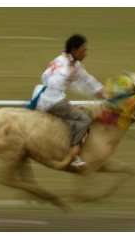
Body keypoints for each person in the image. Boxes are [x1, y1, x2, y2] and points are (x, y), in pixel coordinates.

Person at [27, 34, 106, 167]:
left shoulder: (61, 60)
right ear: (75, 50)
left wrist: (102, 91)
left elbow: (87, 79)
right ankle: (73, 154)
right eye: (83, 50)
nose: (85, 53)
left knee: (77, 110)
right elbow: (57, 82)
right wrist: (67, 75)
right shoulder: (68, 66)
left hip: (41, 95)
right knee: (84, 119)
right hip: (53, 101)